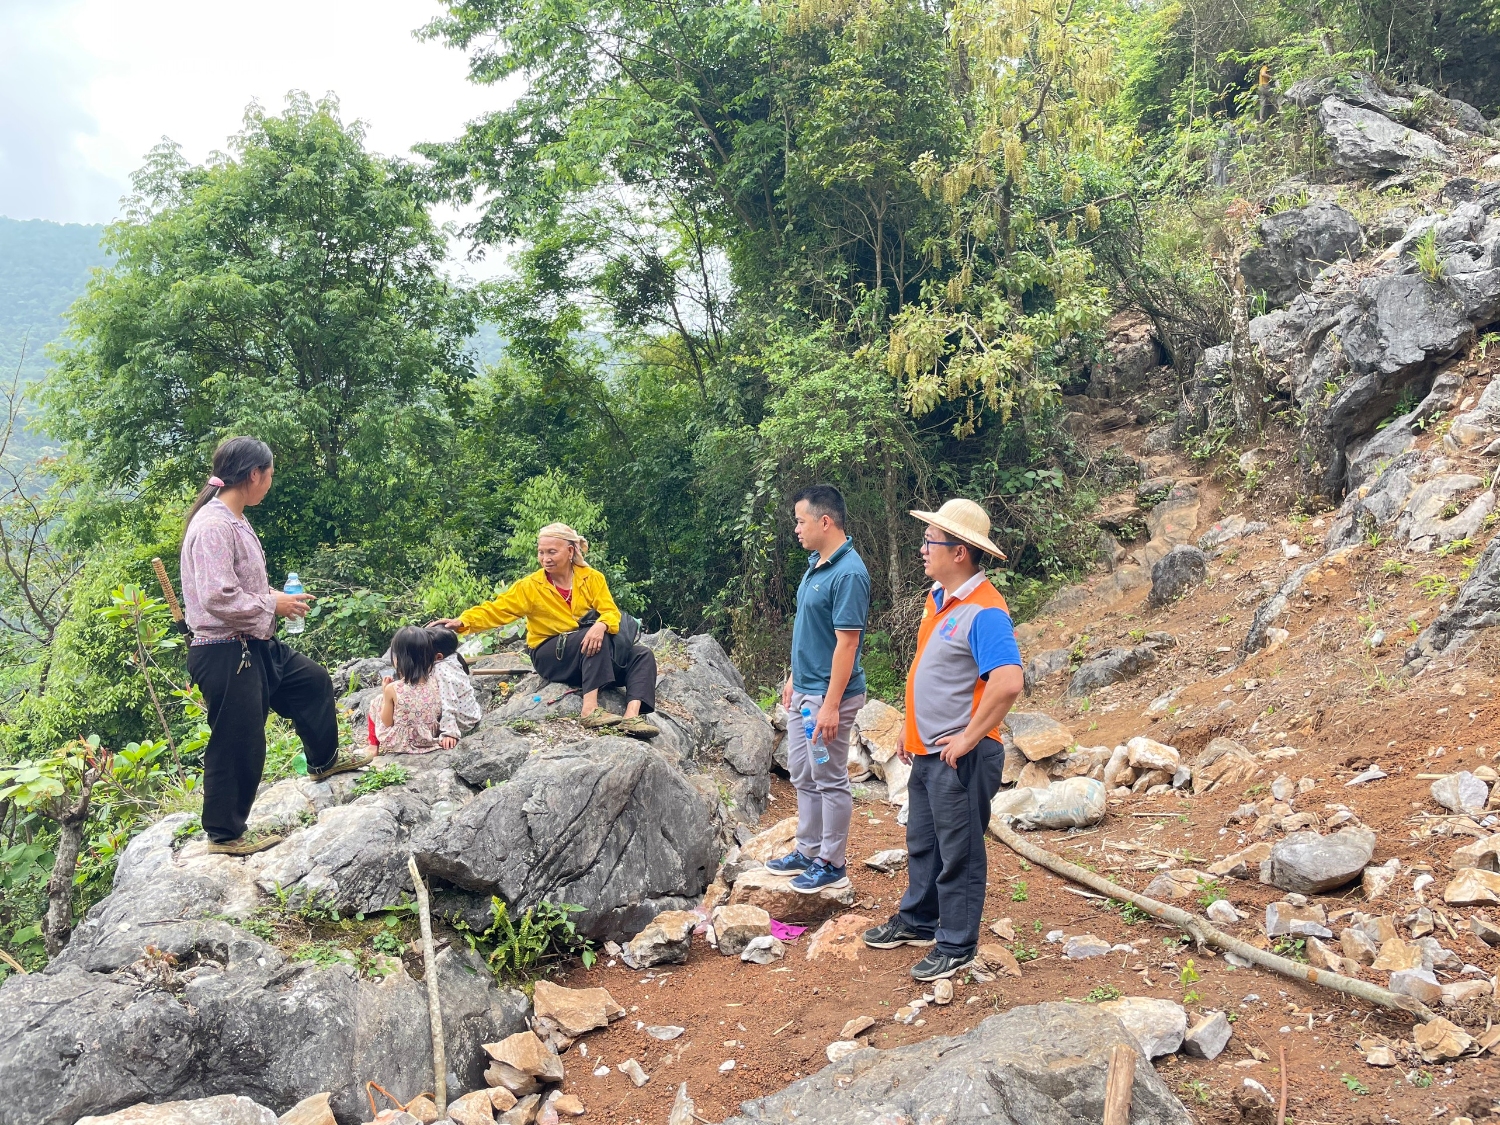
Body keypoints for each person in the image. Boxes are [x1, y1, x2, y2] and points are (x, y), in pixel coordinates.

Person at [181, 437, 372, 856]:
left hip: (254, 642)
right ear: (254, 475)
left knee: (312, 682)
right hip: (225, 651)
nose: (270, 483)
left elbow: (239, 585)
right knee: (239, 739)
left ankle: (323, 761)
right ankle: (224, 834)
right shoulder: (214, 526)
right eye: (269, 475)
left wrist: (276, 601)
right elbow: (216, 596)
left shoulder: (234, 517)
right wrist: (272, 602)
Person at [862, 498, 1023, 981]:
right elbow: (935, 678)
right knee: (924, 843)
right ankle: (919, 919)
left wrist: (969, 739)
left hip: (961, 757)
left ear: (959, 553)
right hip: (929, 751)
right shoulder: (939, 601)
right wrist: (911, 734)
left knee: (961, 850)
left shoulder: (985, 611)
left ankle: (957, 943)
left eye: (931, 541)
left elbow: (1008, 681)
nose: (922, 548)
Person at [431, 523, 659, 737]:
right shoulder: (530, 586)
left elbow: (611, 612)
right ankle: (590, 710)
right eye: (541, 552)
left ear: (570, 552)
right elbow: (496, 610)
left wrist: (601, 624)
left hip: (586, 660)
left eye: (552, 552)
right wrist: (463, 622)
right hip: (551, 655)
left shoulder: (592, 578)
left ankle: (631, 716)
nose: (545, 558)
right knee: (588, 638)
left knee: (641, 654)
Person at [766, 485, 870, 894]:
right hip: (804, 690)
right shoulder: (817, 563)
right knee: (803, 774)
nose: (796, 528)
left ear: (825, 521)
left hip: (829, 697)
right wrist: (793, 676)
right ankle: (807, 851)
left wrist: (830, 705)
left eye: (800, 520)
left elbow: (847, 644)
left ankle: (832, 862)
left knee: (829, 778)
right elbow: (809, 630)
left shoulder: (849, 573)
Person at [368, 626, 445, 755]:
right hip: (428, 737)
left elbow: (387, 722)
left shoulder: (393, 688)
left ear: (399, 659)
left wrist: (385, 691)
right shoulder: (435, 681)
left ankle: (372, 746)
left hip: (401, 742)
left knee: (376, 701)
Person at [429, 625, 482, 743]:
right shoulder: (454, 657)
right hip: (471, 714)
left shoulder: (441, 671)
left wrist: (449, 733)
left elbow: (448, 701)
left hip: (463, 723)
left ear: (438, 656)